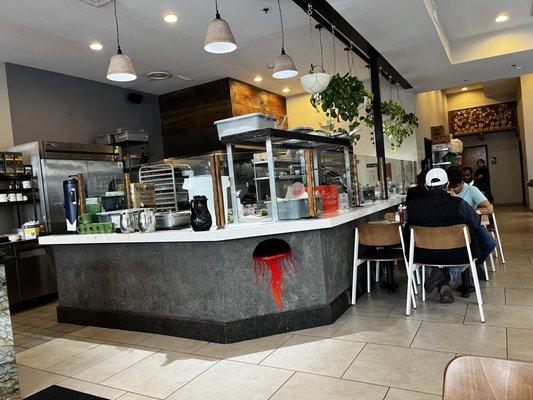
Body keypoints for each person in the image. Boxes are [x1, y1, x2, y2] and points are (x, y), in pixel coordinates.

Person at [405, 168, 487, 303]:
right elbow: (476, 222)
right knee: (474, 249)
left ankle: (439, 279)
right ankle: (446, 275)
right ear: (448, 184)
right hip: (458, 254)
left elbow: (407, 229)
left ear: (426, 186)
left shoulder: (412, 206)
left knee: (432, 253)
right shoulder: (459, 203)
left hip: (423, 255)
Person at [447, 167, 497, 291]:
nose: (452, 190)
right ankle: (464, 266)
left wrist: (472, 212)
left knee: (490, 243)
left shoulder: (471, 190)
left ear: (461, 183)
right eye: (450, 187)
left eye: (455, 187)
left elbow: (489, 208)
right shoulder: (446, 191)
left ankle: (475, 263)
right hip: (453, 228)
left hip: (472, 224)